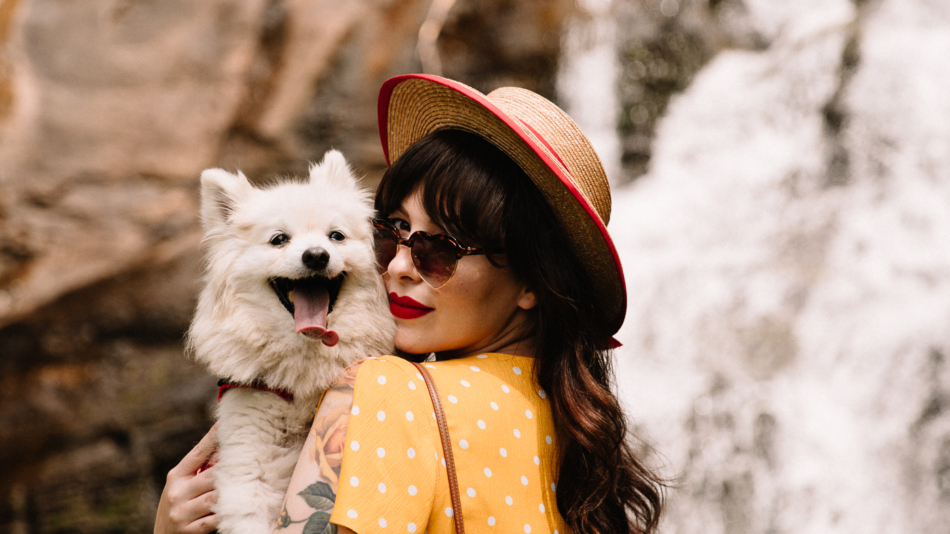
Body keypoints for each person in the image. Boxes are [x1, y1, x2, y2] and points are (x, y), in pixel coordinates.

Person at [155, 74, 664, 534]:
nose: (398, 266)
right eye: (393, 233)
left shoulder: (385, 390)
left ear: (533, 280)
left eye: (442, 248)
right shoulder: (577, 438)